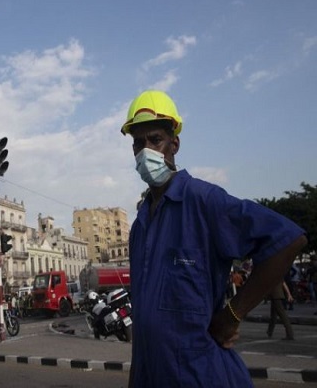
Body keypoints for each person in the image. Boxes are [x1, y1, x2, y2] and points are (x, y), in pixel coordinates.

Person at [121, 90, 307, 387]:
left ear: (174, 144)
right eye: (138, 144)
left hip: (202, 376)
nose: (146, 152)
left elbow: (287, 240)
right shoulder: (141, 224)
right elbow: (144, 324)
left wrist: (233, 314)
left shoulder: (202, 201)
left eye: (155, 140)